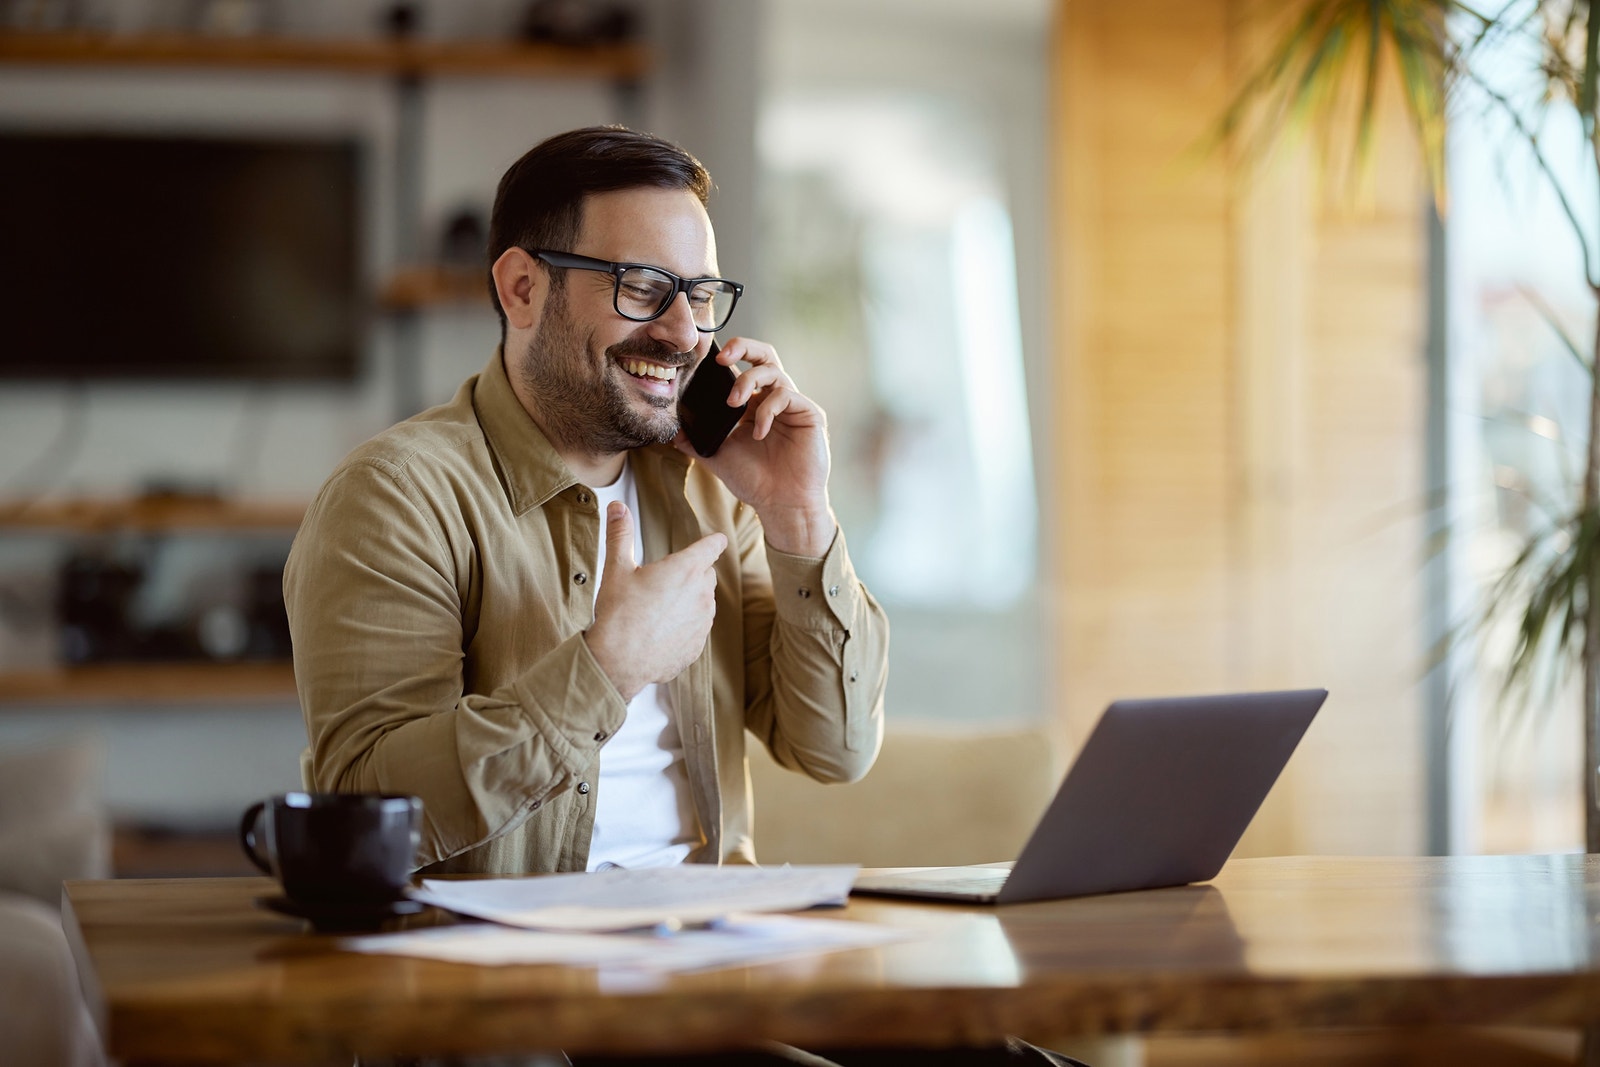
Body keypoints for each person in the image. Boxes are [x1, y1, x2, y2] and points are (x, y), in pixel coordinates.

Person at [285, 125, 1081, 1067]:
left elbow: (833, 746)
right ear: (521, 287)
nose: (683, 333)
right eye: (641, 288)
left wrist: (797, 513)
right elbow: (365, 808)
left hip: (724, 967)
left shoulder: (709, 484)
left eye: (700, 295)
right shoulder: (396, 496)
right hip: (518, 1001)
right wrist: (604, 669)